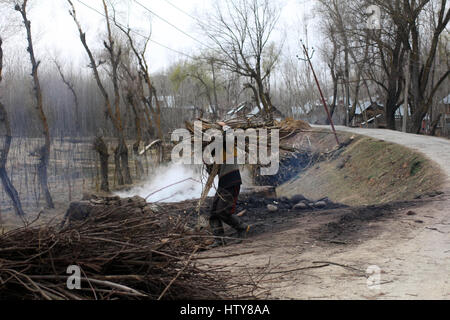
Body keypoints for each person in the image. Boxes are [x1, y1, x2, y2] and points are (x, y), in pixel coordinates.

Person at [207, 122, 250, 248]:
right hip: (223, 183)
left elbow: (230, 134)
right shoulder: (215, 155)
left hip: (232, 181)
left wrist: (224, 126)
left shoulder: (228, 146)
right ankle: (219, 240)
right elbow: (211, 171)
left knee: (223, 212)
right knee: (214, 214)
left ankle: (242, 228)